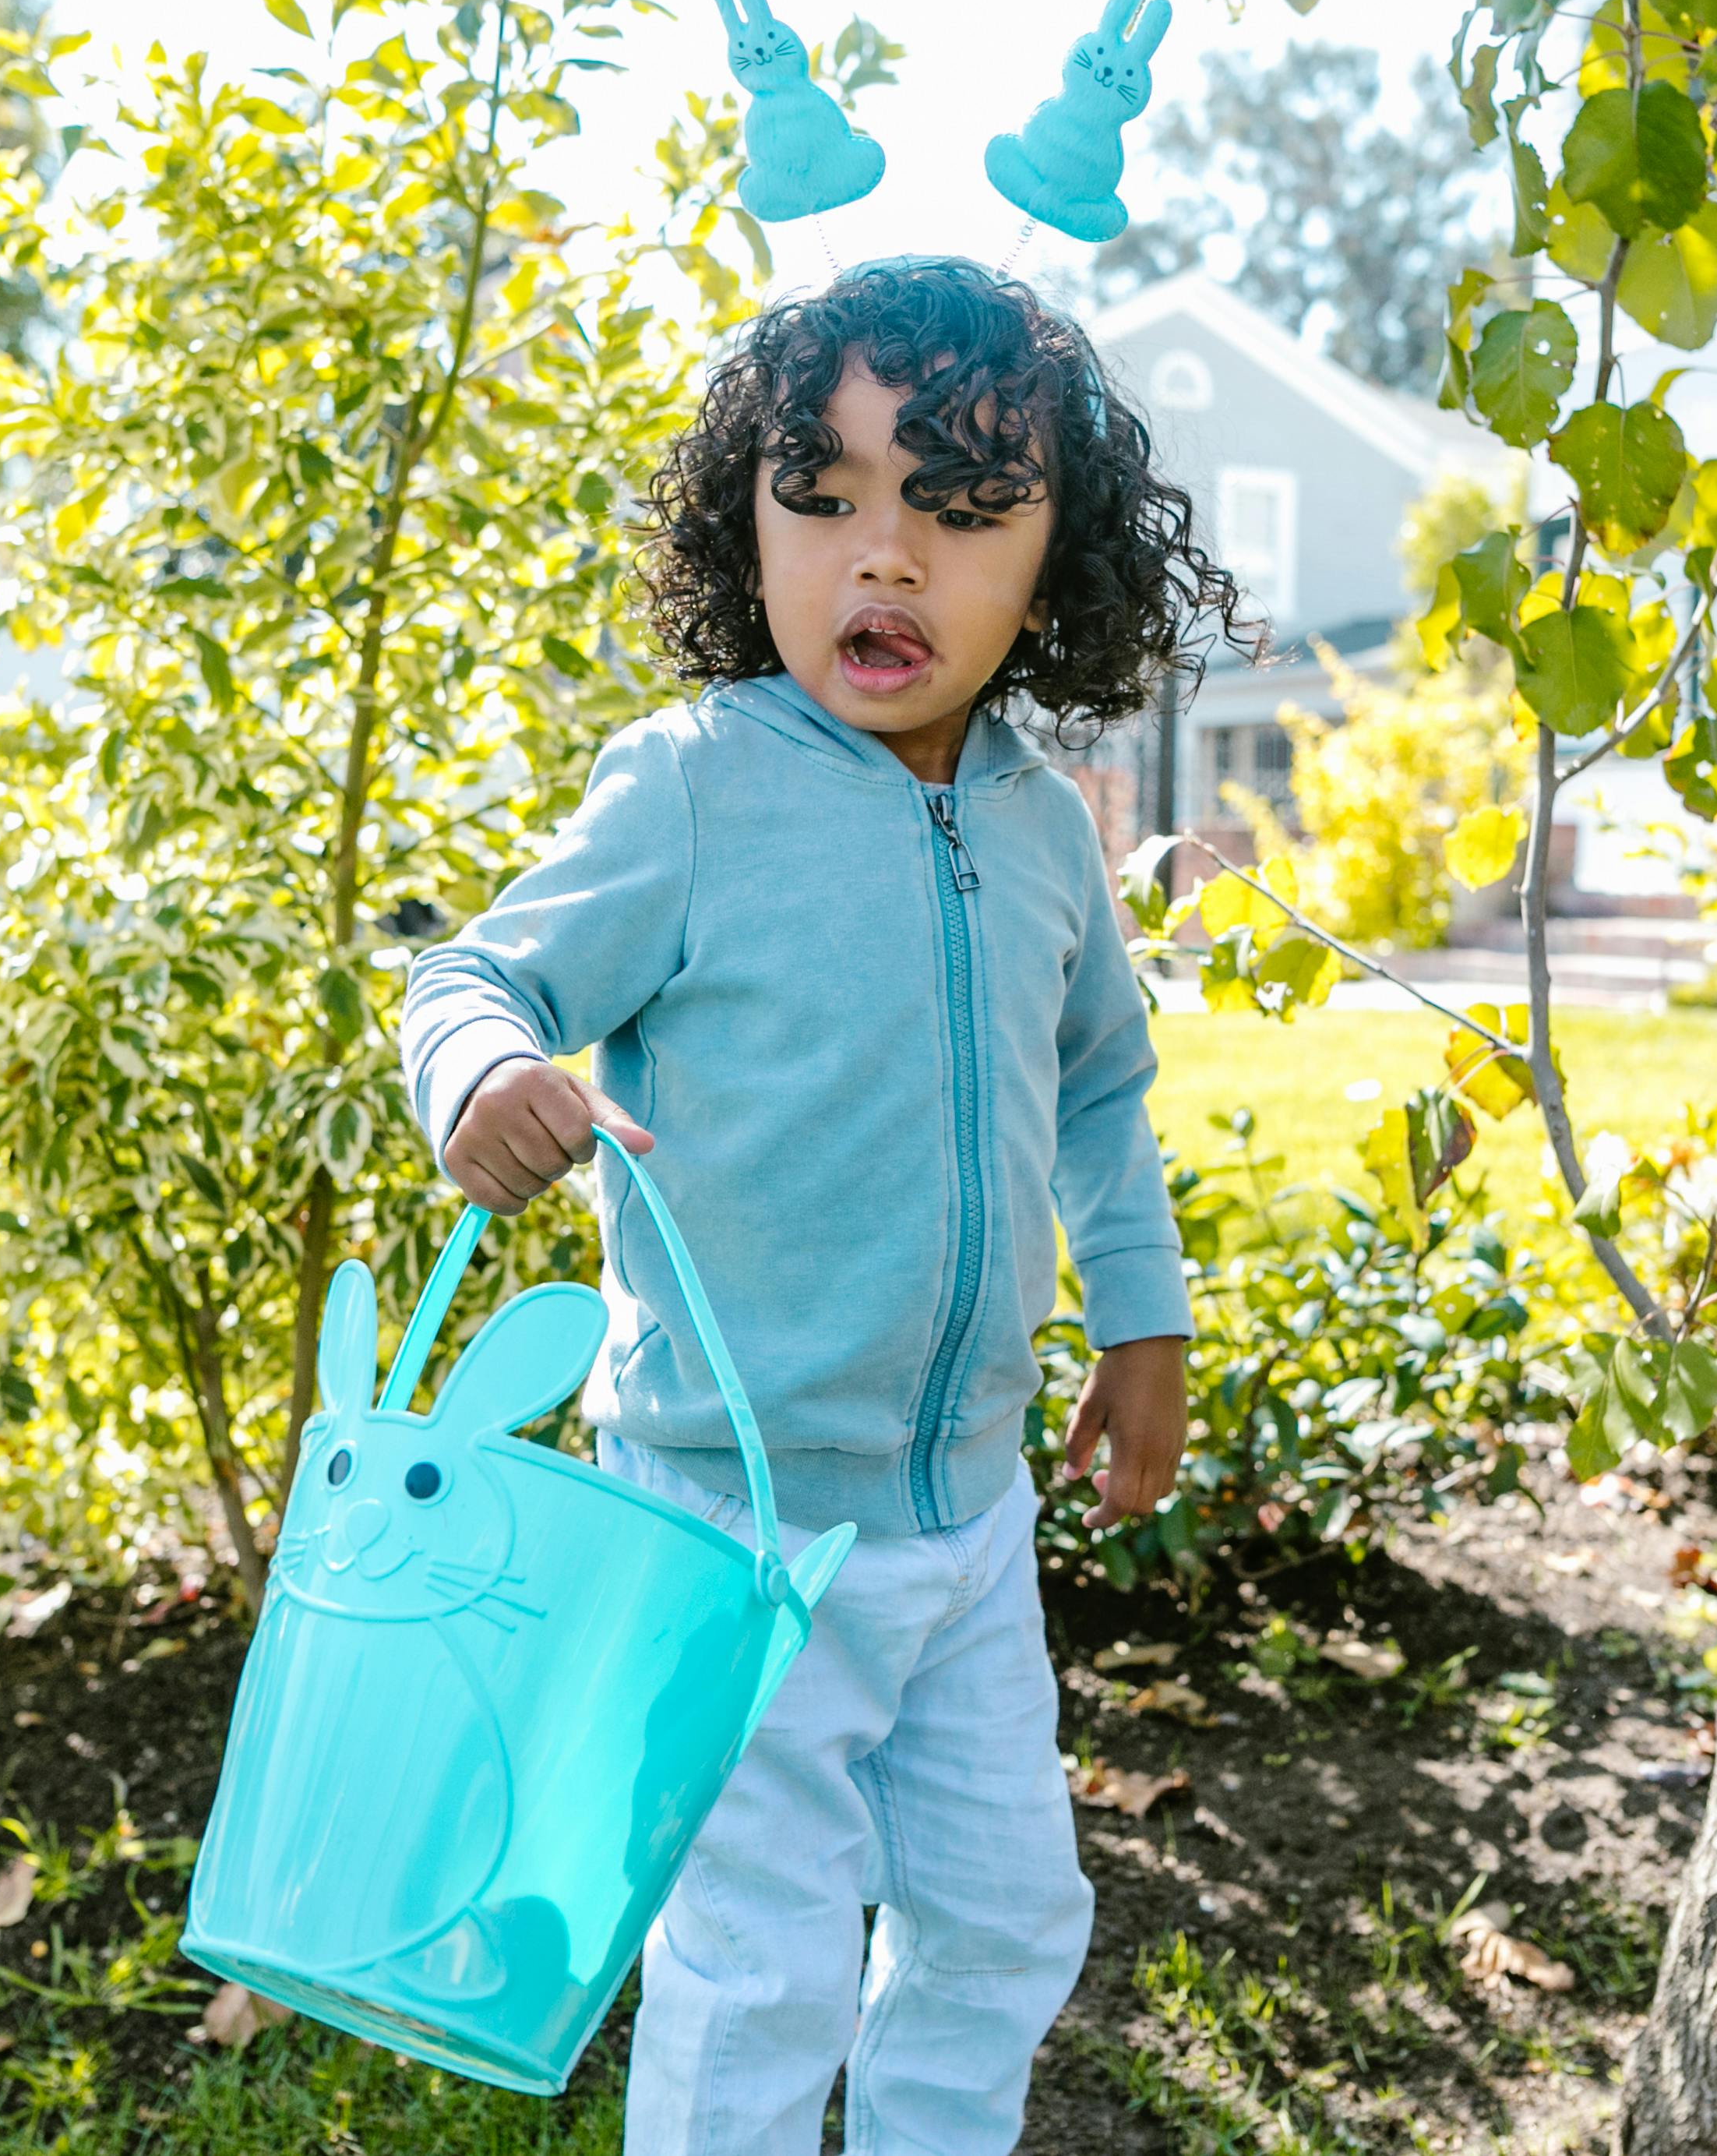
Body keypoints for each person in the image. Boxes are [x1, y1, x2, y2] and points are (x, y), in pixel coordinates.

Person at [399, 253, 1243, 2154]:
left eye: (956, 511)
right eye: (828, 495)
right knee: (758, 1960)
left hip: (964, 1513)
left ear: (1056, 557)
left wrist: (1141, 1316)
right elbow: (470, 977)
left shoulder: (1040, 820)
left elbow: (1098, 1087)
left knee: (1008, 1915)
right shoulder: (691, 788)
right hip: (730, 1520)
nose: (885, 560)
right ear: (745, 522)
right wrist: (478, 1073)